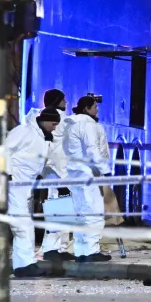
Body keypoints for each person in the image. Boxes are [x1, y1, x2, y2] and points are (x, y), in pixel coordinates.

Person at [6, 106, 61, 277]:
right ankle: (25, 265)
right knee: (22, 224)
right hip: (14, 183)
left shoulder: (43, 138)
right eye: (53, 124)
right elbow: (4, 149)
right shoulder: (24, 131)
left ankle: (24, 264)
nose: (55, 127)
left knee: (24, 224)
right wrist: (6, 174)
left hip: (24, 186)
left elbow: (43, 164)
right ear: (45, 121)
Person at [61, 95, 112, 262]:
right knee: (94, 212)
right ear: (86, 109)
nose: (97, 110)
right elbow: (92, 150)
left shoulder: (71, 124)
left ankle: (82, 251)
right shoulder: (88, 125)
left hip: (74, 173)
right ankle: (91, 251)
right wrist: (105, 171)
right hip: (89, 174)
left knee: (81, 214)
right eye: (95, 107)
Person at [38, 89, 78, 262]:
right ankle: (53, 248)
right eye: (64, 99)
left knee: (58, 206)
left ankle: (57, 247)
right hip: (59, 169)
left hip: (51, 168)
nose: (66, 103)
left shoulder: (43, 117)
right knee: (60, 207)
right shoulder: (61, 119)